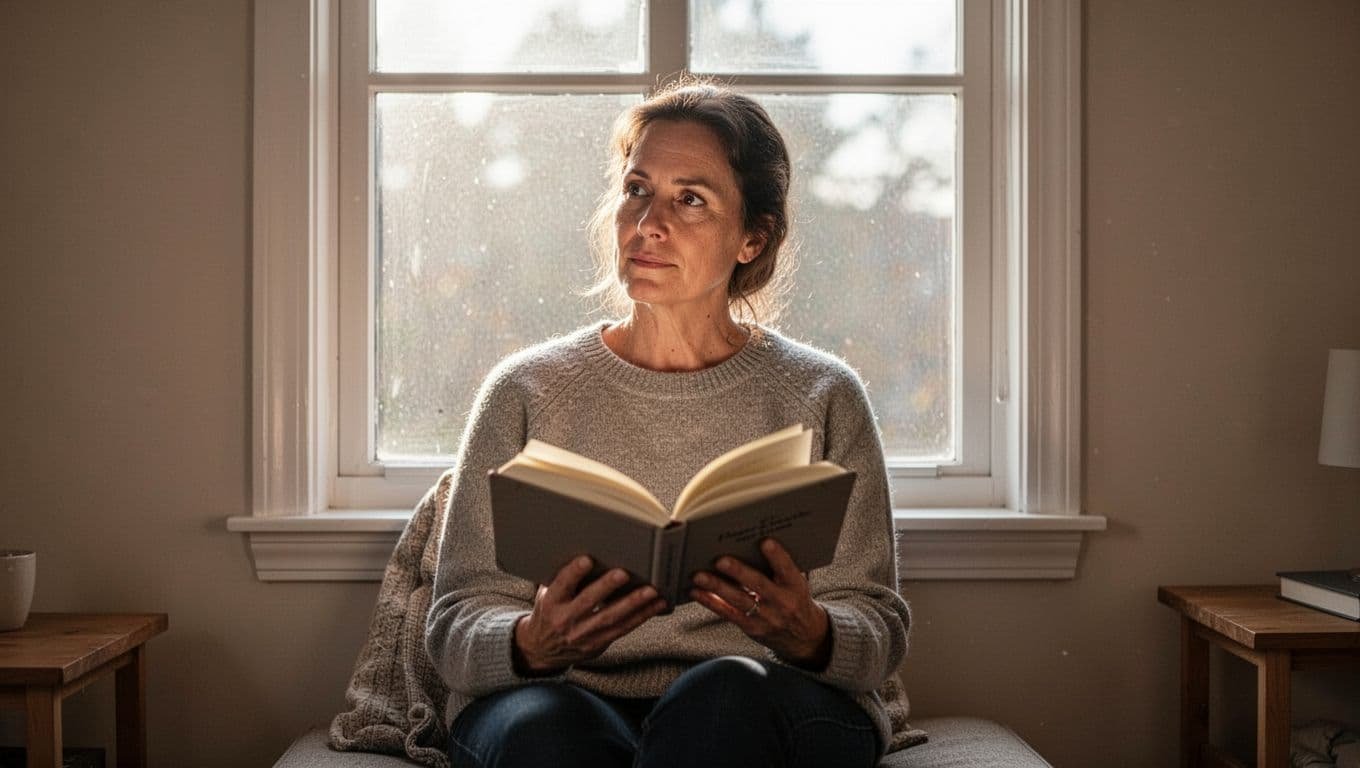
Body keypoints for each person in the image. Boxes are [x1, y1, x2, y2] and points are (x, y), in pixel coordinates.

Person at [426, 79, 911, 768]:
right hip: (566, 695)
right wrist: (530, 641)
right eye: (636, 189)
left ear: (752, 238)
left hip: (759, 700)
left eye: (690, 199)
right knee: (549, 733)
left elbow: (878, 626)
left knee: (717, 700)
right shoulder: (525, 391)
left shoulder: (822, 394)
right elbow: (453, 629)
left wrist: (813, 634)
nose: (648, 222)